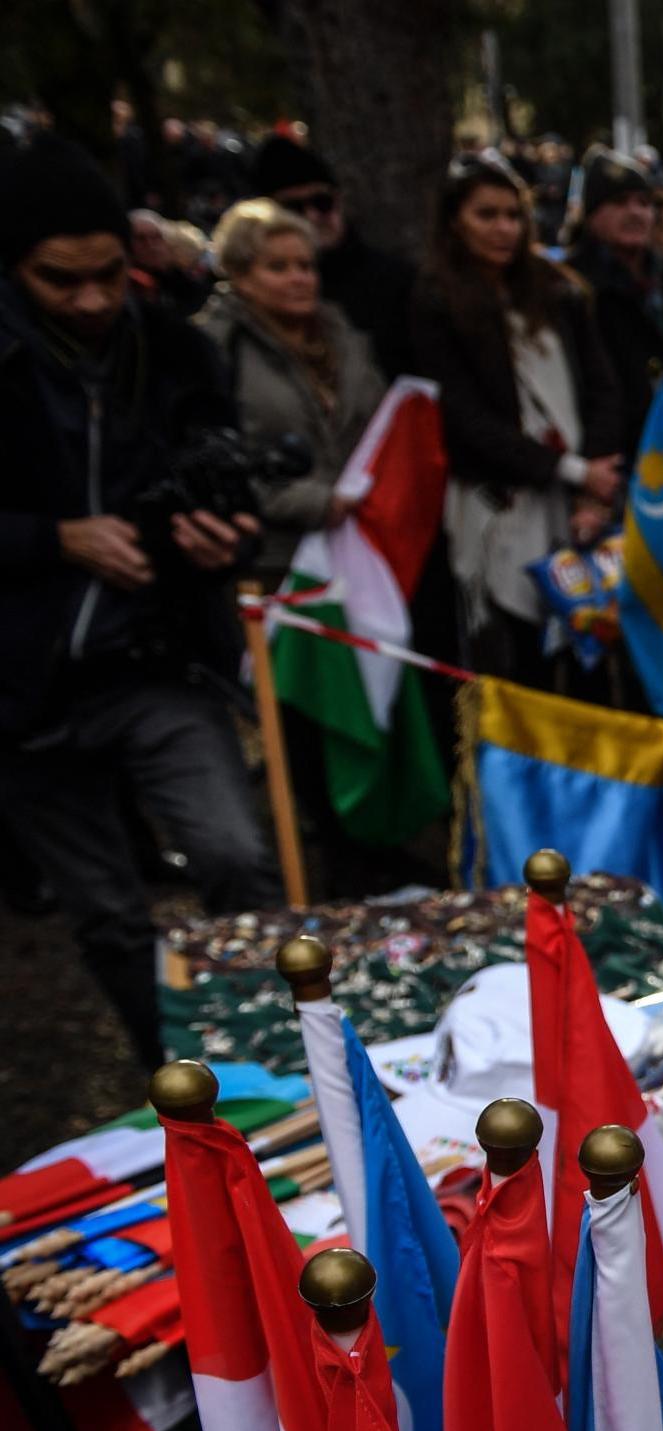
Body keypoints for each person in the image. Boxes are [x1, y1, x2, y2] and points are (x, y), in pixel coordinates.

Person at [0, 136, 280, 1062]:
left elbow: (219, 469)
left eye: (107, 276)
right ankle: (175, 1078)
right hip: (24, 689)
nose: (89, 301)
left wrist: (218, 533)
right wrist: (52, 539)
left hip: (157, 659)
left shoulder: (172, 347)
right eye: (58, 281)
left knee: (235, 852)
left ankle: (269, 1043)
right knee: (109, 914)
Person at [407, 152, 625, 687]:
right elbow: (463, 419)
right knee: (513, 659)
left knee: (588, 661)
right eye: (487, 215)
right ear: (456, 221)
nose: (503, 229)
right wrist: (568, 472)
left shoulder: (558, 291)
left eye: (513, 214)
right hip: (499, 505)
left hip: (578, 506)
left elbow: (602, 386)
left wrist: (592, 486)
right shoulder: (436, 303)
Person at [193, 200, 385, 580]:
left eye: (306, 266)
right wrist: (314, 502)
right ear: (240, 276)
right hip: (270, 559)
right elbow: (212, 459)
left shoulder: (345, 339)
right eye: (278, 267)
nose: (299, 278)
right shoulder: (215, 347)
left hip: (358, 550)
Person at [564, 147, 663, 452]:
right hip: (609, 453)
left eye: (644, 203)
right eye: (619, 203)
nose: (635, 212)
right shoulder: (570, 283)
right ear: (592, 213)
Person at [248, 134, 418, 376]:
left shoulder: (396, 281)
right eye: (293, 208)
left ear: (338, 201)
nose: (311, 217)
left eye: (322, 202)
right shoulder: (250, 295)